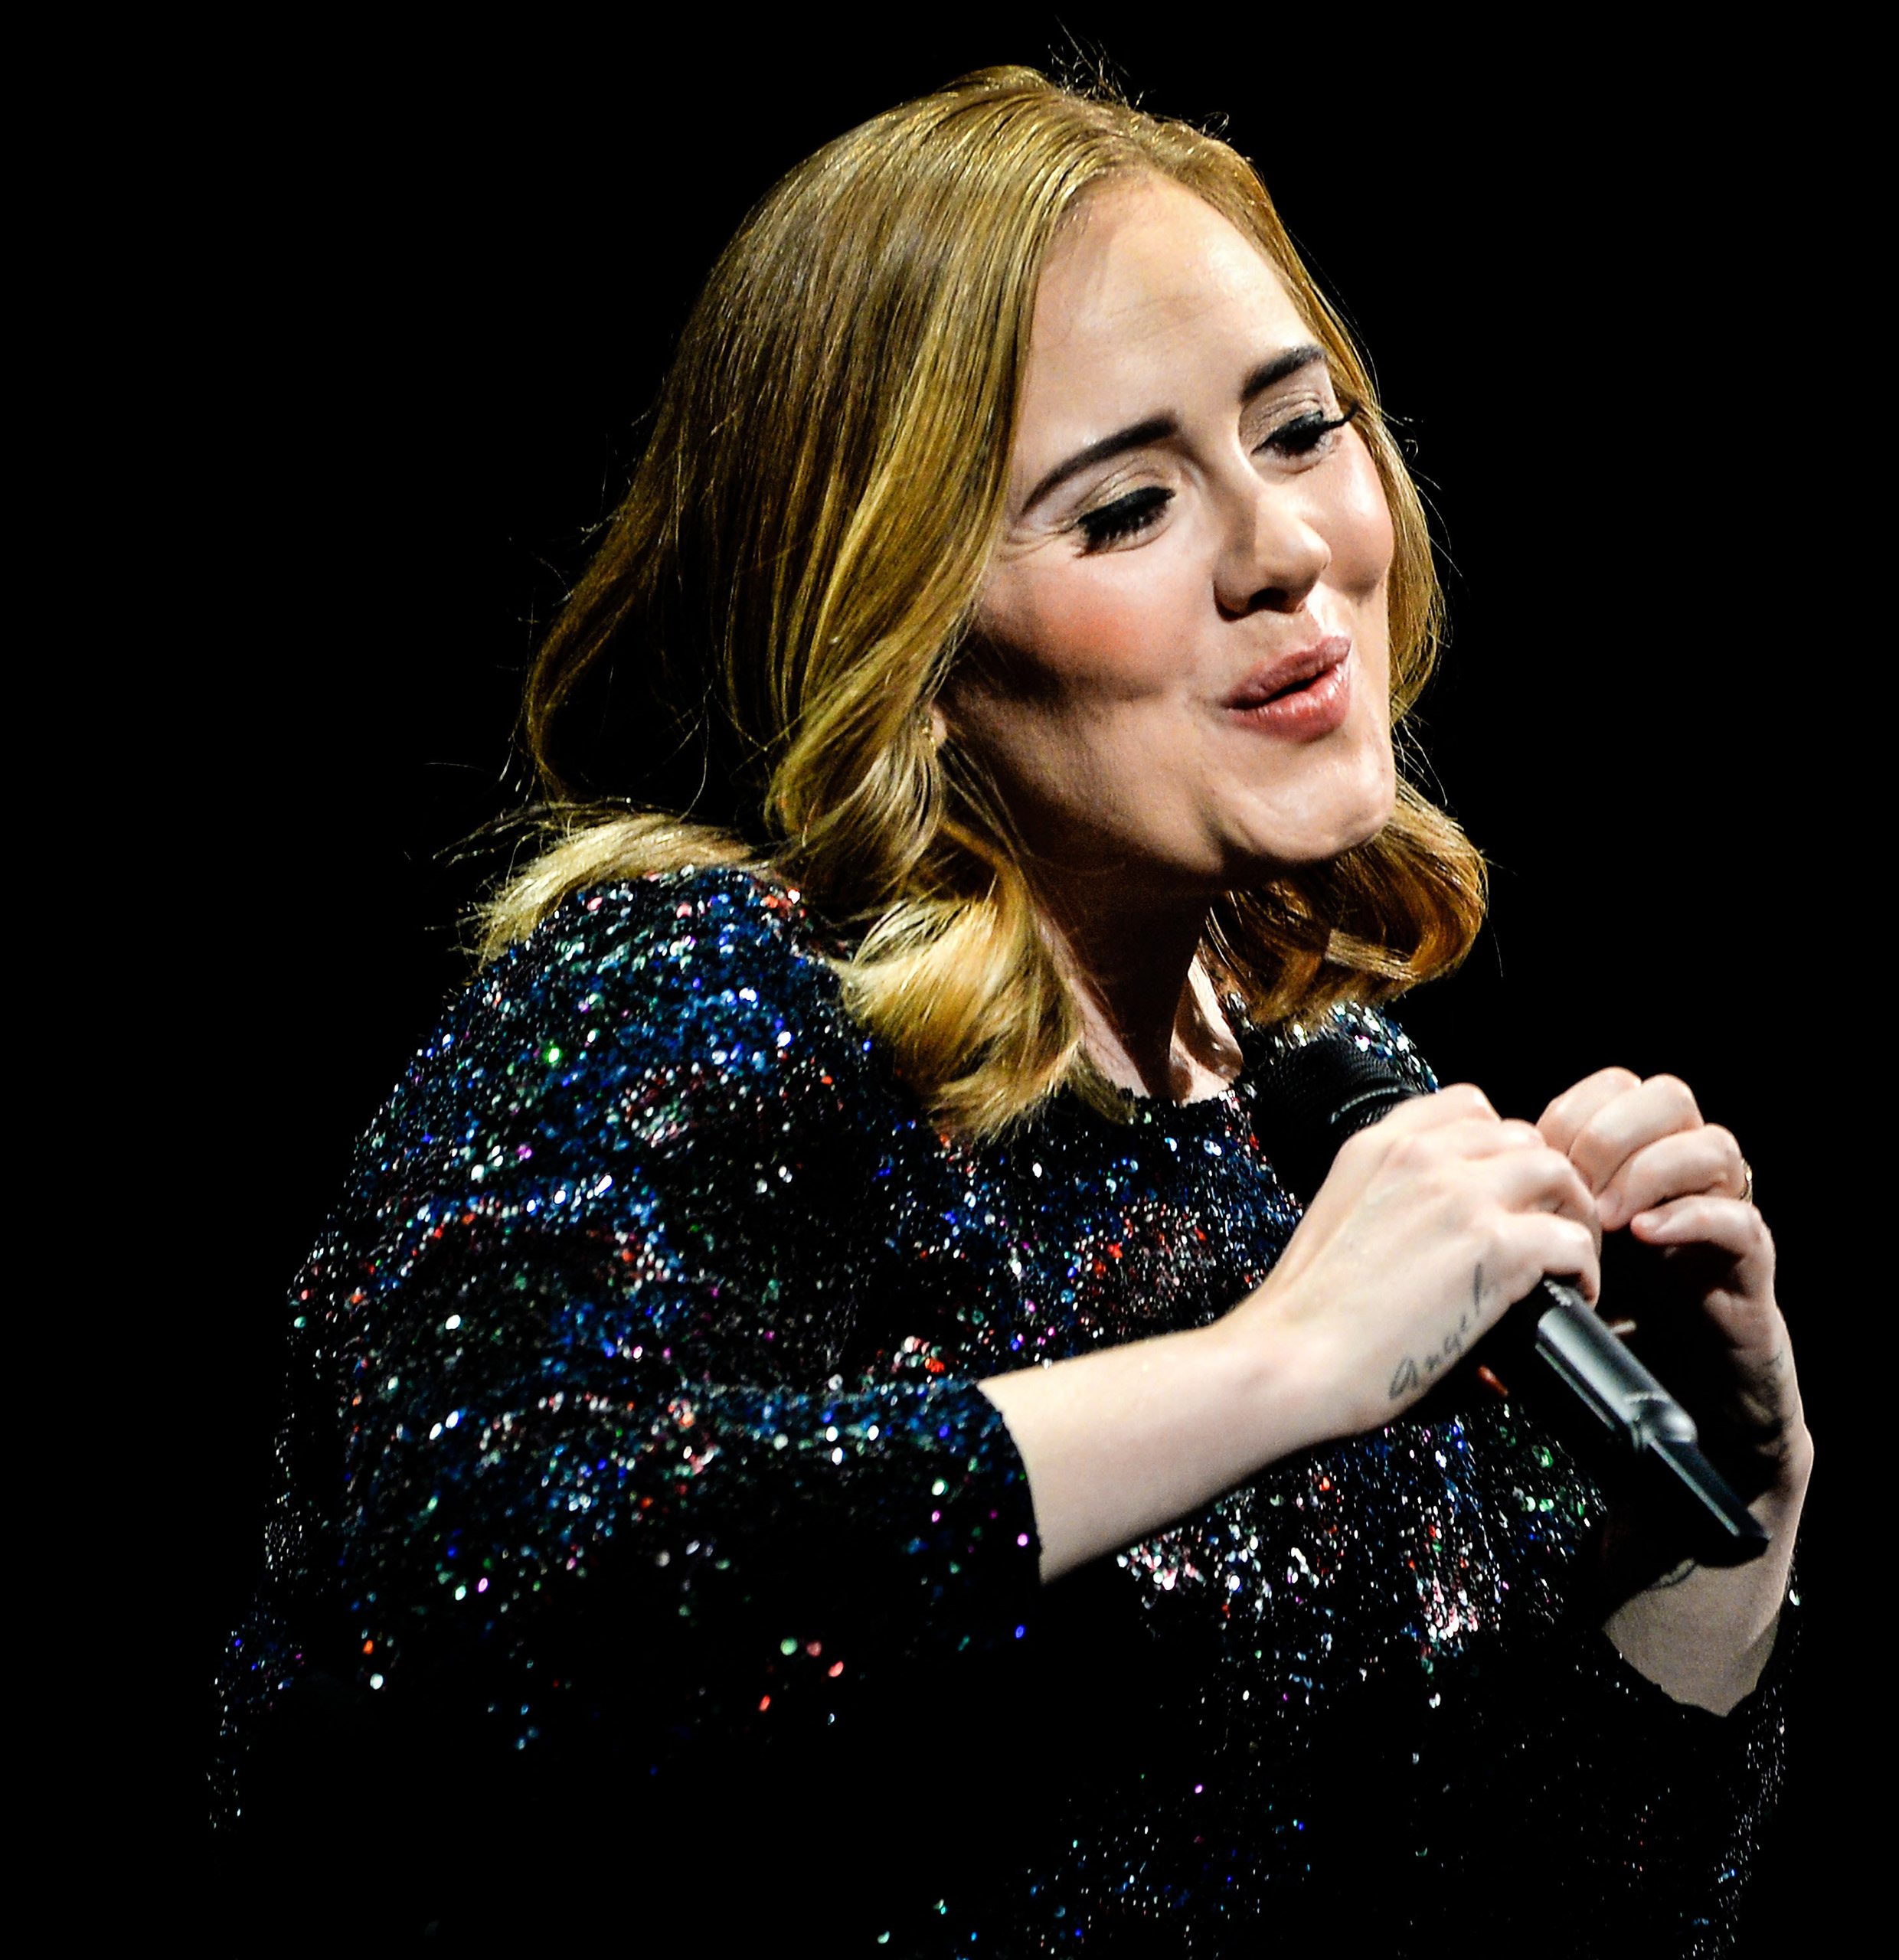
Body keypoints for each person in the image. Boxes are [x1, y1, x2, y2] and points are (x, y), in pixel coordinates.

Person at [214, 67, 1809, 1955]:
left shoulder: (1314, 1117)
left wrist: (1728, 1528)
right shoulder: (708, 996)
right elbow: (495, 1582)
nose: (1285, 549)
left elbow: (1533, 1923)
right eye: (1127, 506)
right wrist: (1276, 1365)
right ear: (900, 619)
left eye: (1303, 430)